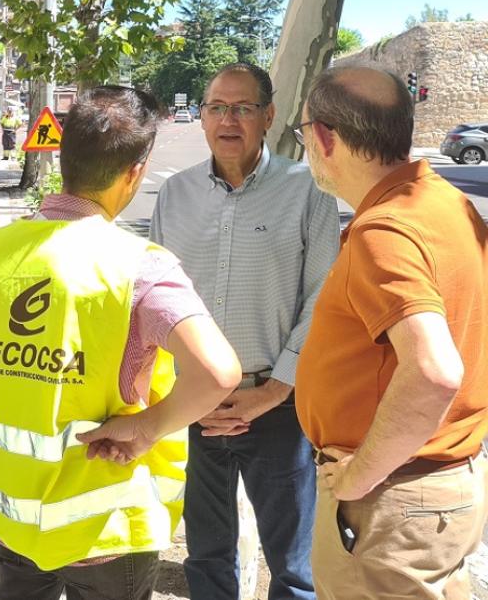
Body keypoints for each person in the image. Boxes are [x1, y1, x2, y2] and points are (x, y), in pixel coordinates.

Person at [0, 86, 242, 600]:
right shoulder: (139, 268)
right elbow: (218, 372)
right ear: (134, 172)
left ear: (65, 158)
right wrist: (148, 428)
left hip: (12, 514)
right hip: (103, 528)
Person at [294, 66, 488, 600]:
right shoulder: (443, 201)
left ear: (324, 137)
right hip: (436, 490)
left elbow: (434, 371)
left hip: (393, 500)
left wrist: (359, 477)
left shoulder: (386, 230)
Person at [150, 63, 340, 600]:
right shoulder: (176, 195)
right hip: (194, 408)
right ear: (202, 117)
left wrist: (274, 390)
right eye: (216, 107)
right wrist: (185, 393)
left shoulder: (308, 191)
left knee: (295, 569)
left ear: (269, 117)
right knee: (206, 558)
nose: (227, 120)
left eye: (243, 108)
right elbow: (156, 301)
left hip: (279, 409)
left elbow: (324, 299)